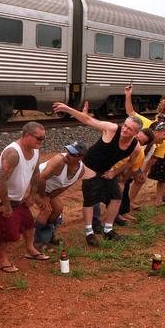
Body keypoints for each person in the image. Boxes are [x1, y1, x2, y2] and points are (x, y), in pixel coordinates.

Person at [52, 101, 142, 246]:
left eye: (129, 129)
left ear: (136, 133)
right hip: (89, 165)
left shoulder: (135, 147)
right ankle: (89, 233)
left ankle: (108, 230)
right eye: (125, 125)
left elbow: (131, 162)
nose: (125, 129)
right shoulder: (112, 129)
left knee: (116, 196)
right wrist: (67, 109)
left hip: (106, 170)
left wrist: (114, 172)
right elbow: (88, 120)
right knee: (91, 198)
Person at [0, 122, 50, 273]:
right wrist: (6, 205)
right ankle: (2, 260)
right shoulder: (13, 153)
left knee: (28, 223)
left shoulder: (35, 150)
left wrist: (32, 194)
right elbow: (0, 180)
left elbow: (35, 172)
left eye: (43, 139)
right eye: (38, 138)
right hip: (0, 192)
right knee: (8, 229)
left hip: (17, 193)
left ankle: (30, 249)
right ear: (27, 135)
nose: (41, 142)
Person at [33, 141, 87, 251]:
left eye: (72, 154)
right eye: (68, 151)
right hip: (33, 184)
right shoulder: (59, 161)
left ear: (80, 157)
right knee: (46, 210)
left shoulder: (81, 171)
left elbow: (64, 187)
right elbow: (41, 178)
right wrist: (43, 197)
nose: (67, 154)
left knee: (58, 209)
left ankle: (48, 236)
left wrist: (49, 196)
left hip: (47, 190)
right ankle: (38, 242)